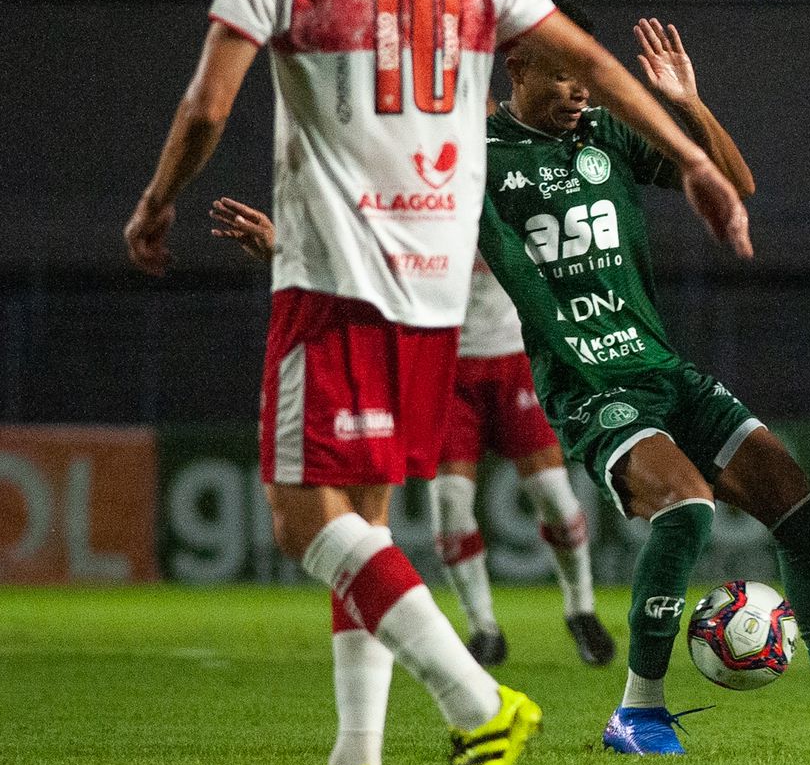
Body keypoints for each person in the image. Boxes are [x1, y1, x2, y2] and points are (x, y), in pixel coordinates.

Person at [123, 0, 750, 765]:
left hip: (333, 274)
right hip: (431, 300)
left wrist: (155, 202)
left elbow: (205, 104)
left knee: (299, 516)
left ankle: (476, 701)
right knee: (364, 516)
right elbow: (591, 62)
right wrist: (686, 156)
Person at [478, 11, 810, 755]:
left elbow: (733, 180)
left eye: (588, 76)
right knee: (687, 507)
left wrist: (688, 106)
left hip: (660, 366)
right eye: (562, 74)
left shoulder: (607, 135)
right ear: (517, 69)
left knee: (803, 509)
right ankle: (637, 713)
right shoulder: (480, 159)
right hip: (589, 382)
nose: (578, 92)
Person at [208, 196, 617, 666]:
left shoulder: (517, 173)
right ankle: (483, 628)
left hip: (515, 359)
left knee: (554, 494)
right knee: (449, 503)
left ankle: (581, 609)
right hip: (449, 367)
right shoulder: (426, 183)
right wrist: (285, 248)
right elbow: (367, 252)